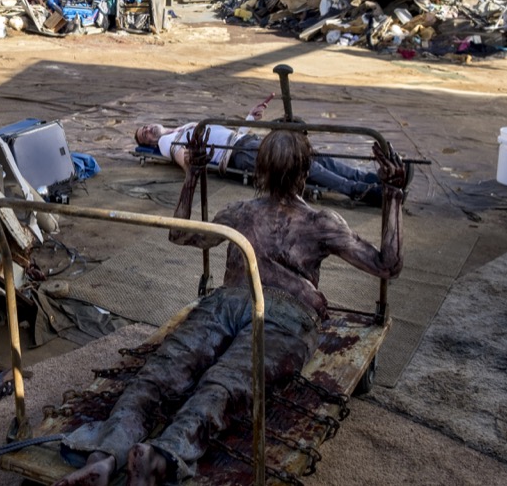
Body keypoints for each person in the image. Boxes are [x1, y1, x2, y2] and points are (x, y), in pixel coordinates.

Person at [55, 129, 405, 486]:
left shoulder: (238, 213)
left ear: (260, 171)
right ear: (305, 172)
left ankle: (105, 454)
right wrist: (393, 195)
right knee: (224, 385)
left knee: (160, 374)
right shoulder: (320, 223)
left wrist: (192, 176)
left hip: (229, 300)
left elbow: (180, 233)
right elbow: (387, 266)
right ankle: (162, 456)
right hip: (285, 314)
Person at [134, 96, 384, 206]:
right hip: (236, 154)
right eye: (143, 134)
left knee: (311, 155)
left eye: (145, 126)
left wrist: (249, 117)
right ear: (149, 144)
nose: (146, 130)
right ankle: (360, 190)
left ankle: (363, 178)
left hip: (242, 141)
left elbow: (232, 133)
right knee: (301, 164)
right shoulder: (168, 142)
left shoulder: (182, 126)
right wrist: (188, 166)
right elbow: (179, 154)